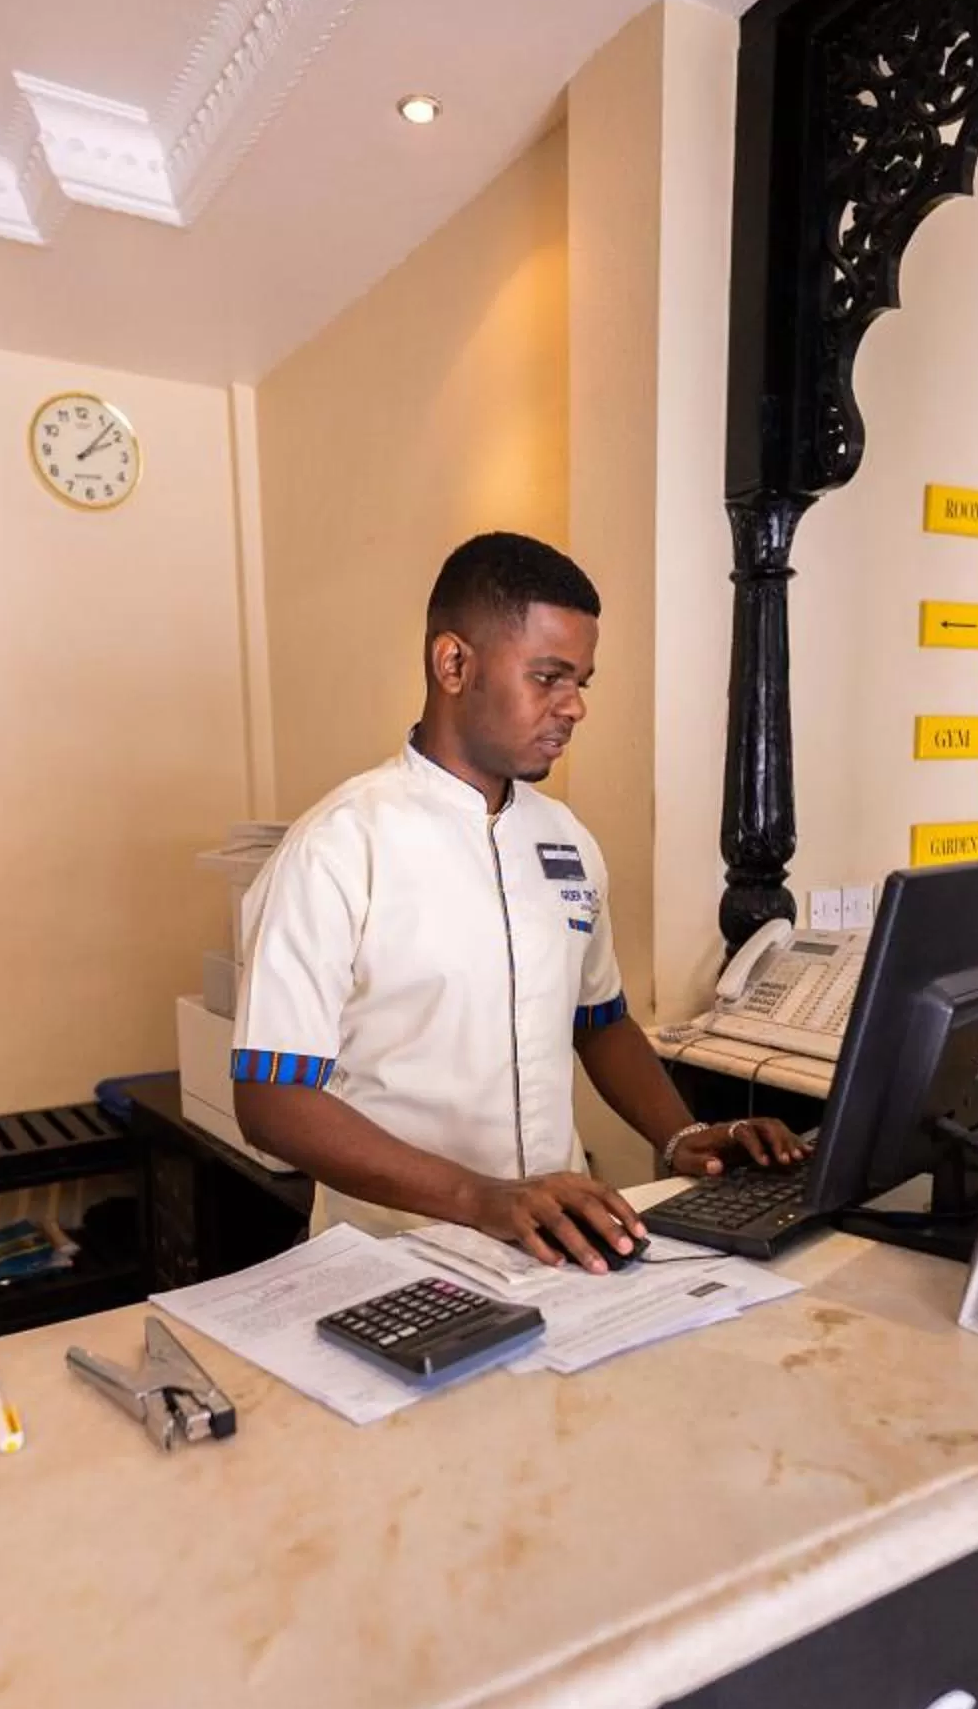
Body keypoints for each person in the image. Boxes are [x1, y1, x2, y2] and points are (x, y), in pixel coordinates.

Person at [231, 532, 805, 1271]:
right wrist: (483, 1199)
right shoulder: (340, 846)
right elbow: (271, 1101)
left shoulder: (565, 840)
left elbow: (599, 1021)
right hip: (391, 1260)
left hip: (556, 1247)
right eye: (548, 677)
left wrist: (682, 1135)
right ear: (453, 664)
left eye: (581, 682)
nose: (575, 707)